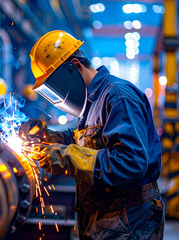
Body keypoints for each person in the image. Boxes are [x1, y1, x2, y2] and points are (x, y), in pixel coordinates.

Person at [19, 30, 165, 239]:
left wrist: (64, 156)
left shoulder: (118, 96)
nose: (57, 98)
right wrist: (47, 136)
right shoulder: (92, 101)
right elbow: (87, 142)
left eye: (54, 89)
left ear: (75, 67)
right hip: (105, 218)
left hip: (129, 220)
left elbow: (130, 162)